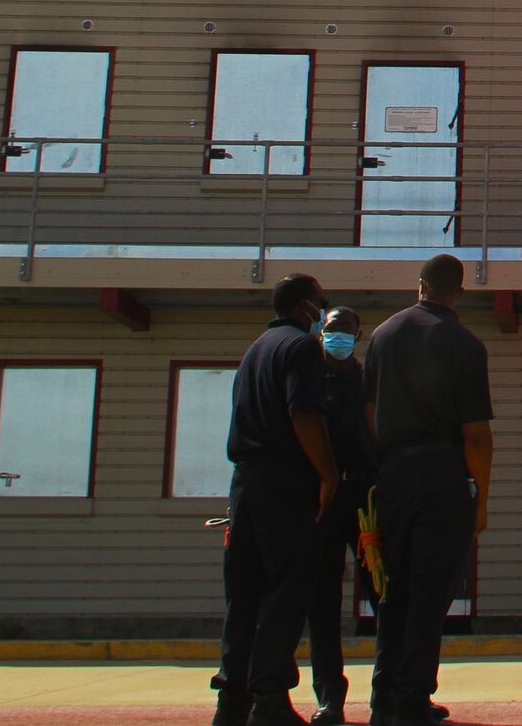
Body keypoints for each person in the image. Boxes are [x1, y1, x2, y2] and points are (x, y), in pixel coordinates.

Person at [362, 254, 493, 726]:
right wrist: (481, 497)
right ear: (458, 292)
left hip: (394, 471)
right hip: (442, 472)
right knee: (430, 591)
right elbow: (476, 433)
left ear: (420, 285)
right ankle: (413, 697)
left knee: (393, 590)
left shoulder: (383, 334)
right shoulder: (464, 344)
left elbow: (370, 414)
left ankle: (383, 697)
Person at [215, 274, 337, 726]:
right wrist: (328, 474)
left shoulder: (255, 350)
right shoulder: (302, 348)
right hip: (285, 484)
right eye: (322, 304)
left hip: (244, 482)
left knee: (243, 594)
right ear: (305, 306)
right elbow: (303, 413)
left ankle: (232, 700)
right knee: (287, 589)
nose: (324, 312)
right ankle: (269, 700)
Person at [307, 306, 376, 726]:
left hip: (366, 496)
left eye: (346, 330)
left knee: (384, 592)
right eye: (332, 329)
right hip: (323, 498)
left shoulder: (370, 380)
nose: (339, 336)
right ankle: (330, 697)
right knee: (323, 602)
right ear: (320, 332)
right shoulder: (309, 379)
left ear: (358, 334)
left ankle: (394, 693)